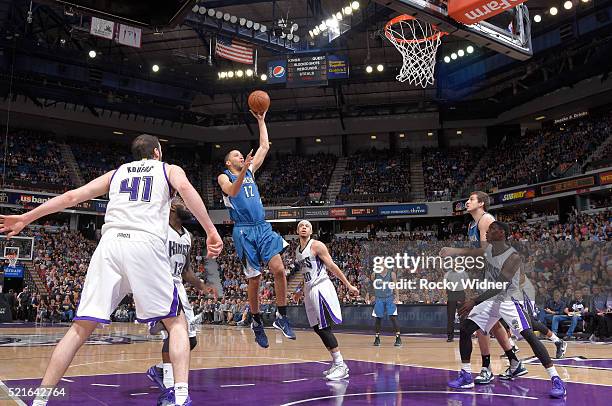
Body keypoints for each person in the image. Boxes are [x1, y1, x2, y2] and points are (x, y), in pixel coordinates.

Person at [0, 134, 223, 406]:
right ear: (157, 151)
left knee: (80, 328)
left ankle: (40, 399)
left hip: (109, 245)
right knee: (176, 322)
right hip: (145, 243)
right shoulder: (168, 169)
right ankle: (180, 397)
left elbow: (73, 196)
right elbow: (186, 190)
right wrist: (211, 230)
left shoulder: (116, 173)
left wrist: (26, 217)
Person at [446, 221, 566, 399]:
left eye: (492, 229)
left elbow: (501, 286)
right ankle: (466, 375)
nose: (487, 231)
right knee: (465, 329)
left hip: (509, 300)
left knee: (529, 335)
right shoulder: (488, 252)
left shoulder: (513, 256)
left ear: (502, 233)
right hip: (490, 300)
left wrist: (474, 300)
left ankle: (556, 379)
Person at [217, 110, 295, 348]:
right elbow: (232, 191)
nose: (242, 157)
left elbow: (264, 146)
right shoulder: (224, 176)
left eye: (243, 156)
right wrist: (245, 170)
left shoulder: (249, 171)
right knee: (255, 278)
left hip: (262, 227)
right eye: (238, 156)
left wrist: (261, 120)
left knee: (279, 270)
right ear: (230, 162)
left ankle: (281, 316)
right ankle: (257, 321)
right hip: (243, 231)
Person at [440, 191, 518, 384]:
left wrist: (455, 252)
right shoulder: (472, 225)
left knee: (478, 321)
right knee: (492, 323)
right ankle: (515, 361)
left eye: (471, 199)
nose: (467, 202)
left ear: (481, 203)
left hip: (497, 275)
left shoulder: (486, 220)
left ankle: (486, 368)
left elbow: (485, 251)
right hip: (486, 275)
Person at [147, 196, 218, 391]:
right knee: (174, 335)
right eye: (183, 204)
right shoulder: (158, 229)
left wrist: (203, 286)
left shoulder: (188, 236)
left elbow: (186, 271)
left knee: (190, 340)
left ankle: (160, 370)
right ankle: (170, 387)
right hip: (161, 284)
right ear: (171, 207)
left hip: (178, 285)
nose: (187, 207)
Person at [294, 220, 359, 380]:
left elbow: (332, 266)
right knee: (317, 328)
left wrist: (349, 285)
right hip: (309, 289)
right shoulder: (297, 250)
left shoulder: (317, 245)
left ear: (311, 231)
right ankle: (336, 363)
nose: (304, 227)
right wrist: (298, 291)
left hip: (321, 287)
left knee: (324, 327)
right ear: (297, 230)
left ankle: (341, 364)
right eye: (301, 225)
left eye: (307, 226)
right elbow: (306, 273)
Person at [371, 268, 402, 347]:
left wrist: (397, 297)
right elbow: (372, 286)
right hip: (379, 298)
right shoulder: (375, 274)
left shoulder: (391, 274)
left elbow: (395, 286)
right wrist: (372, 295)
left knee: (393, 317)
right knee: (378, 318)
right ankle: (377, 338)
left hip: (389, 298)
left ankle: (398, 338)